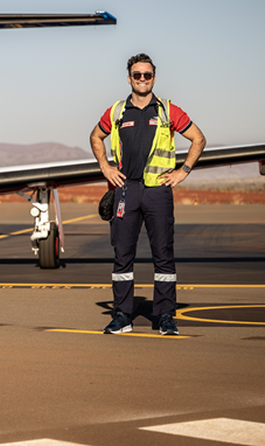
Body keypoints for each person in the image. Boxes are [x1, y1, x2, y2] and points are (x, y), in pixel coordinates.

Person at [89, 53, 206, 335]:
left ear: (154, 78)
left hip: (158, 192)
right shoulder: (117, 112)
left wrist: (183, 171)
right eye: (137, 75)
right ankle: (122, 315)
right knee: (122, 256)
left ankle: (165, 316)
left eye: (148, 75)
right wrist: (105, 167)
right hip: (126, 190)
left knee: (163, 256)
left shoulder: (167, 110)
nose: (143, 79)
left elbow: (199, 139)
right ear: (129, 78)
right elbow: (95, 137)